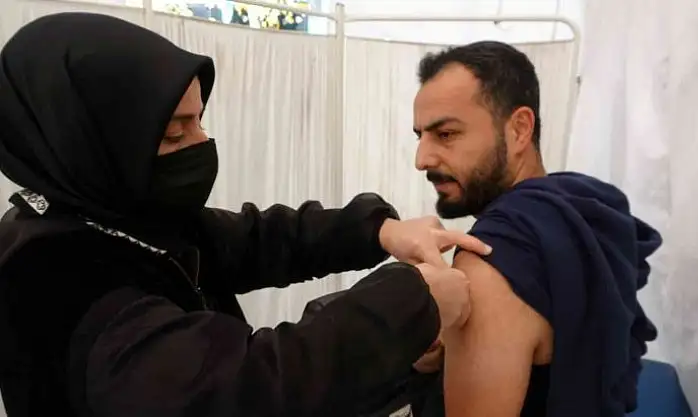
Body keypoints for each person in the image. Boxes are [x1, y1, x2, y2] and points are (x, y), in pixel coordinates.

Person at [0, 13, 490, 417]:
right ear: (91, 141)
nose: (203, 143)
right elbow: (250, 386)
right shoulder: (53, 279)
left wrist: (379, 230)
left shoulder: (125, 214)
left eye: (199, 120)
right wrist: (412, 300)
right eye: (174, 134)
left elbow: (258, 238)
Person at [412, 41, 663, 417]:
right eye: (420, 136)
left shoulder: (487, 263)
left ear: (519, 129)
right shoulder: (581, 207)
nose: (422, 159)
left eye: (445, 134)